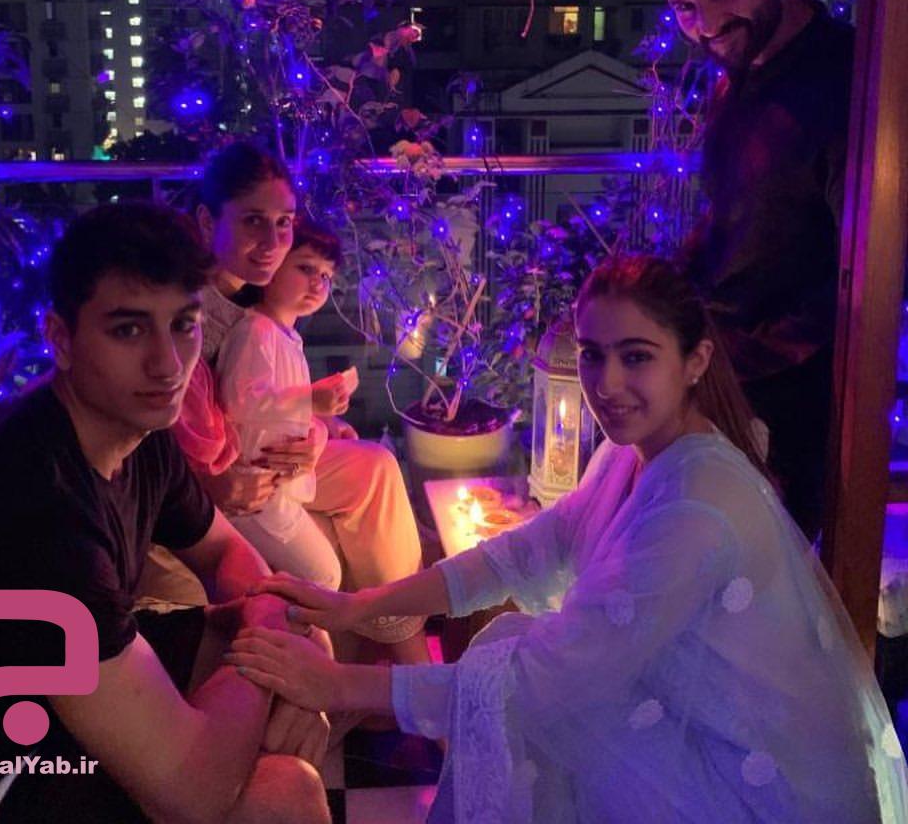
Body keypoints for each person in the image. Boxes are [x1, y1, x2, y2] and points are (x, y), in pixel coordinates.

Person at [226, 255, 908, 824]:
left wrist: (338, 684)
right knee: (509, 662)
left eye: (636, 357)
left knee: (520, 680)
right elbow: (528, 551)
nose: (606, 385)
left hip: (747, 778)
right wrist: (360, 606)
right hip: (681, 721)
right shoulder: (632, 451)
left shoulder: (699, 505)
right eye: (591, 355)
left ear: (695, 361)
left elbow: (550, 678)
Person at [0, 202, 330, 824]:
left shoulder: (136, 433)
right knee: (283, 791)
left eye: (183, 325)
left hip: (46, 703)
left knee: (299, 643)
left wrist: (277, 631)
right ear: (61, 340)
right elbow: (193, 796)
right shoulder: (33, 509)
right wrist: (272, 647)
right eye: (128, 330)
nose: (167, 364)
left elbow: (226, 551)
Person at [146, 139, 429, 663]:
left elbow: (267, 384)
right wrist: (208, 483)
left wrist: (317, 430)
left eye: (283, 223)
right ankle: (394, 665)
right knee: (336, 537)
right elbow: (159, 422)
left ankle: (400, 641)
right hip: (219, 472)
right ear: (208, 222)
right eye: (252, 221)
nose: (272, 241)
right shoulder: (184, 306)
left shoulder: (248, 296)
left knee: (377, 468)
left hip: (264, 451)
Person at [647, 0, 856, 540]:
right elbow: (732, 215)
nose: (707, 23)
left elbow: (861, 278)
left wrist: (741, 359)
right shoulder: (742, 71)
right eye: (685, 8)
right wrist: (661, 297)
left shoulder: (845, 81)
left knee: (745, 573)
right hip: (720, 372)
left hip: (787, 405)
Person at [185, 216, 355, 591]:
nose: (318, 283)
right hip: (257, 487)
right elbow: (241, 401)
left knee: (326, 568)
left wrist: (318, 425)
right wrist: (310, 400)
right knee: (325, 574)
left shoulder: (286, 336)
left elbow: (282, 407)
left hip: (279, 483)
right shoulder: (255, 330)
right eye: (306, 268)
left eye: (326, 276)